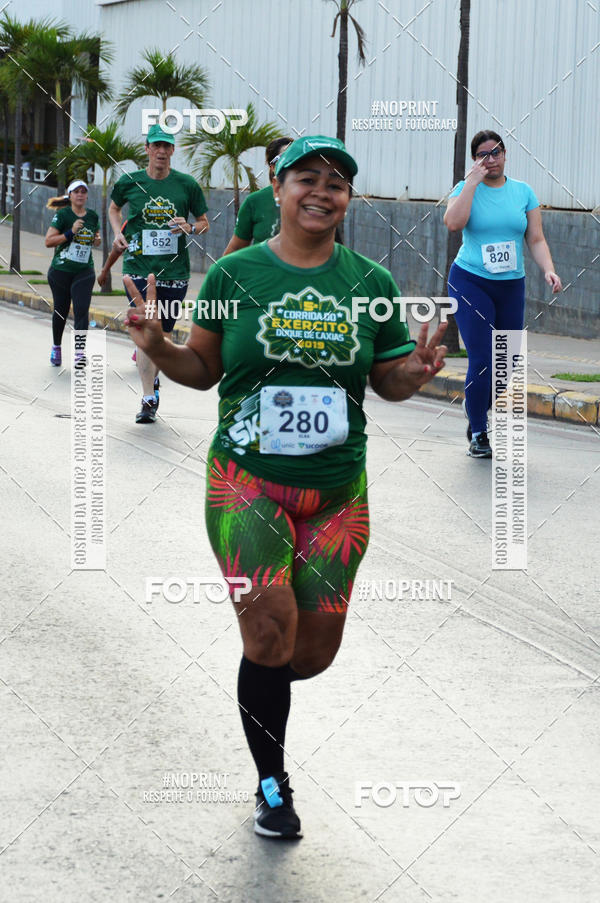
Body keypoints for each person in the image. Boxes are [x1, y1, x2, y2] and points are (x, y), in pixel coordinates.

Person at [124, 135, 447, 839]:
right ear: (279, 188)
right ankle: (273, 785)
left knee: (310, 651)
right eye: (307, 178)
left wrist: (415, 373)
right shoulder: (233, 275)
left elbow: (386, 380)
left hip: (338, 495)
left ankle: (259, 684)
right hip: (246, 485)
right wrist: (158, 349)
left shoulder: (371, 284)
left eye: (336, 183)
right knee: (270, 631)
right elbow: (201, 369)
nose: (321, 192)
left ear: (347, 201)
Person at [444, 129, 562, 458]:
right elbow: (453, 223)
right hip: (470, 280)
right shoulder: (465, 189)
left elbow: (535, 239)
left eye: (496, 152)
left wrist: (548, 269)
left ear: (505, 154)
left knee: (506, 363)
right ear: (474, 160)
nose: (491, 159)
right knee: (482, 359)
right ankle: (479, 433)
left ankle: (475, 407)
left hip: (511, 284)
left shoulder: (523, 192)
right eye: (483, 154)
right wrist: (470, 183)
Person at [109, 123, 210, 423]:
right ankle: (147, 398)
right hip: (138, 269)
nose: (162, 152)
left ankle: (152, 382)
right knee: (144, 330)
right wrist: (117, 233)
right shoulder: (130, 181)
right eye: (157, 146)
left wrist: (189, 227)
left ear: (172, 151)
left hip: (174, 273)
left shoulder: (187, 185)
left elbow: (204, 222)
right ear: (148, 150)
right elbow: (114, 209)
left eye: (167, 146)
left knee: (162, 335)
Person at [45, 180, 100, 367]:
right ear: (70, 195)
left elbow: (95, 238)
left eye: (84, 192)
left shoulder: (92, 216)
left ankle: (79, 352)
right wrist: (70, 232)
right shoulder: (62, 215)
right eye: (76, 191)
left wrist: (97, 239)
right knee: (60, 310)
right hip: (60, 271)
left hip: (84, 271)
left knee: (81, 310)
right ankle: (56, 347)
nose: (80, 195)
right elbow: (49, 241)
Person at [222, 136, 292, 254]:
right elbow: (235, 249)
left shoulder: (314, 198)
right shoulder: (255, 202)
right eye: (286, 157)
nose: (293, 162)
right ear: (273, 167)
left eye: (298, 158)